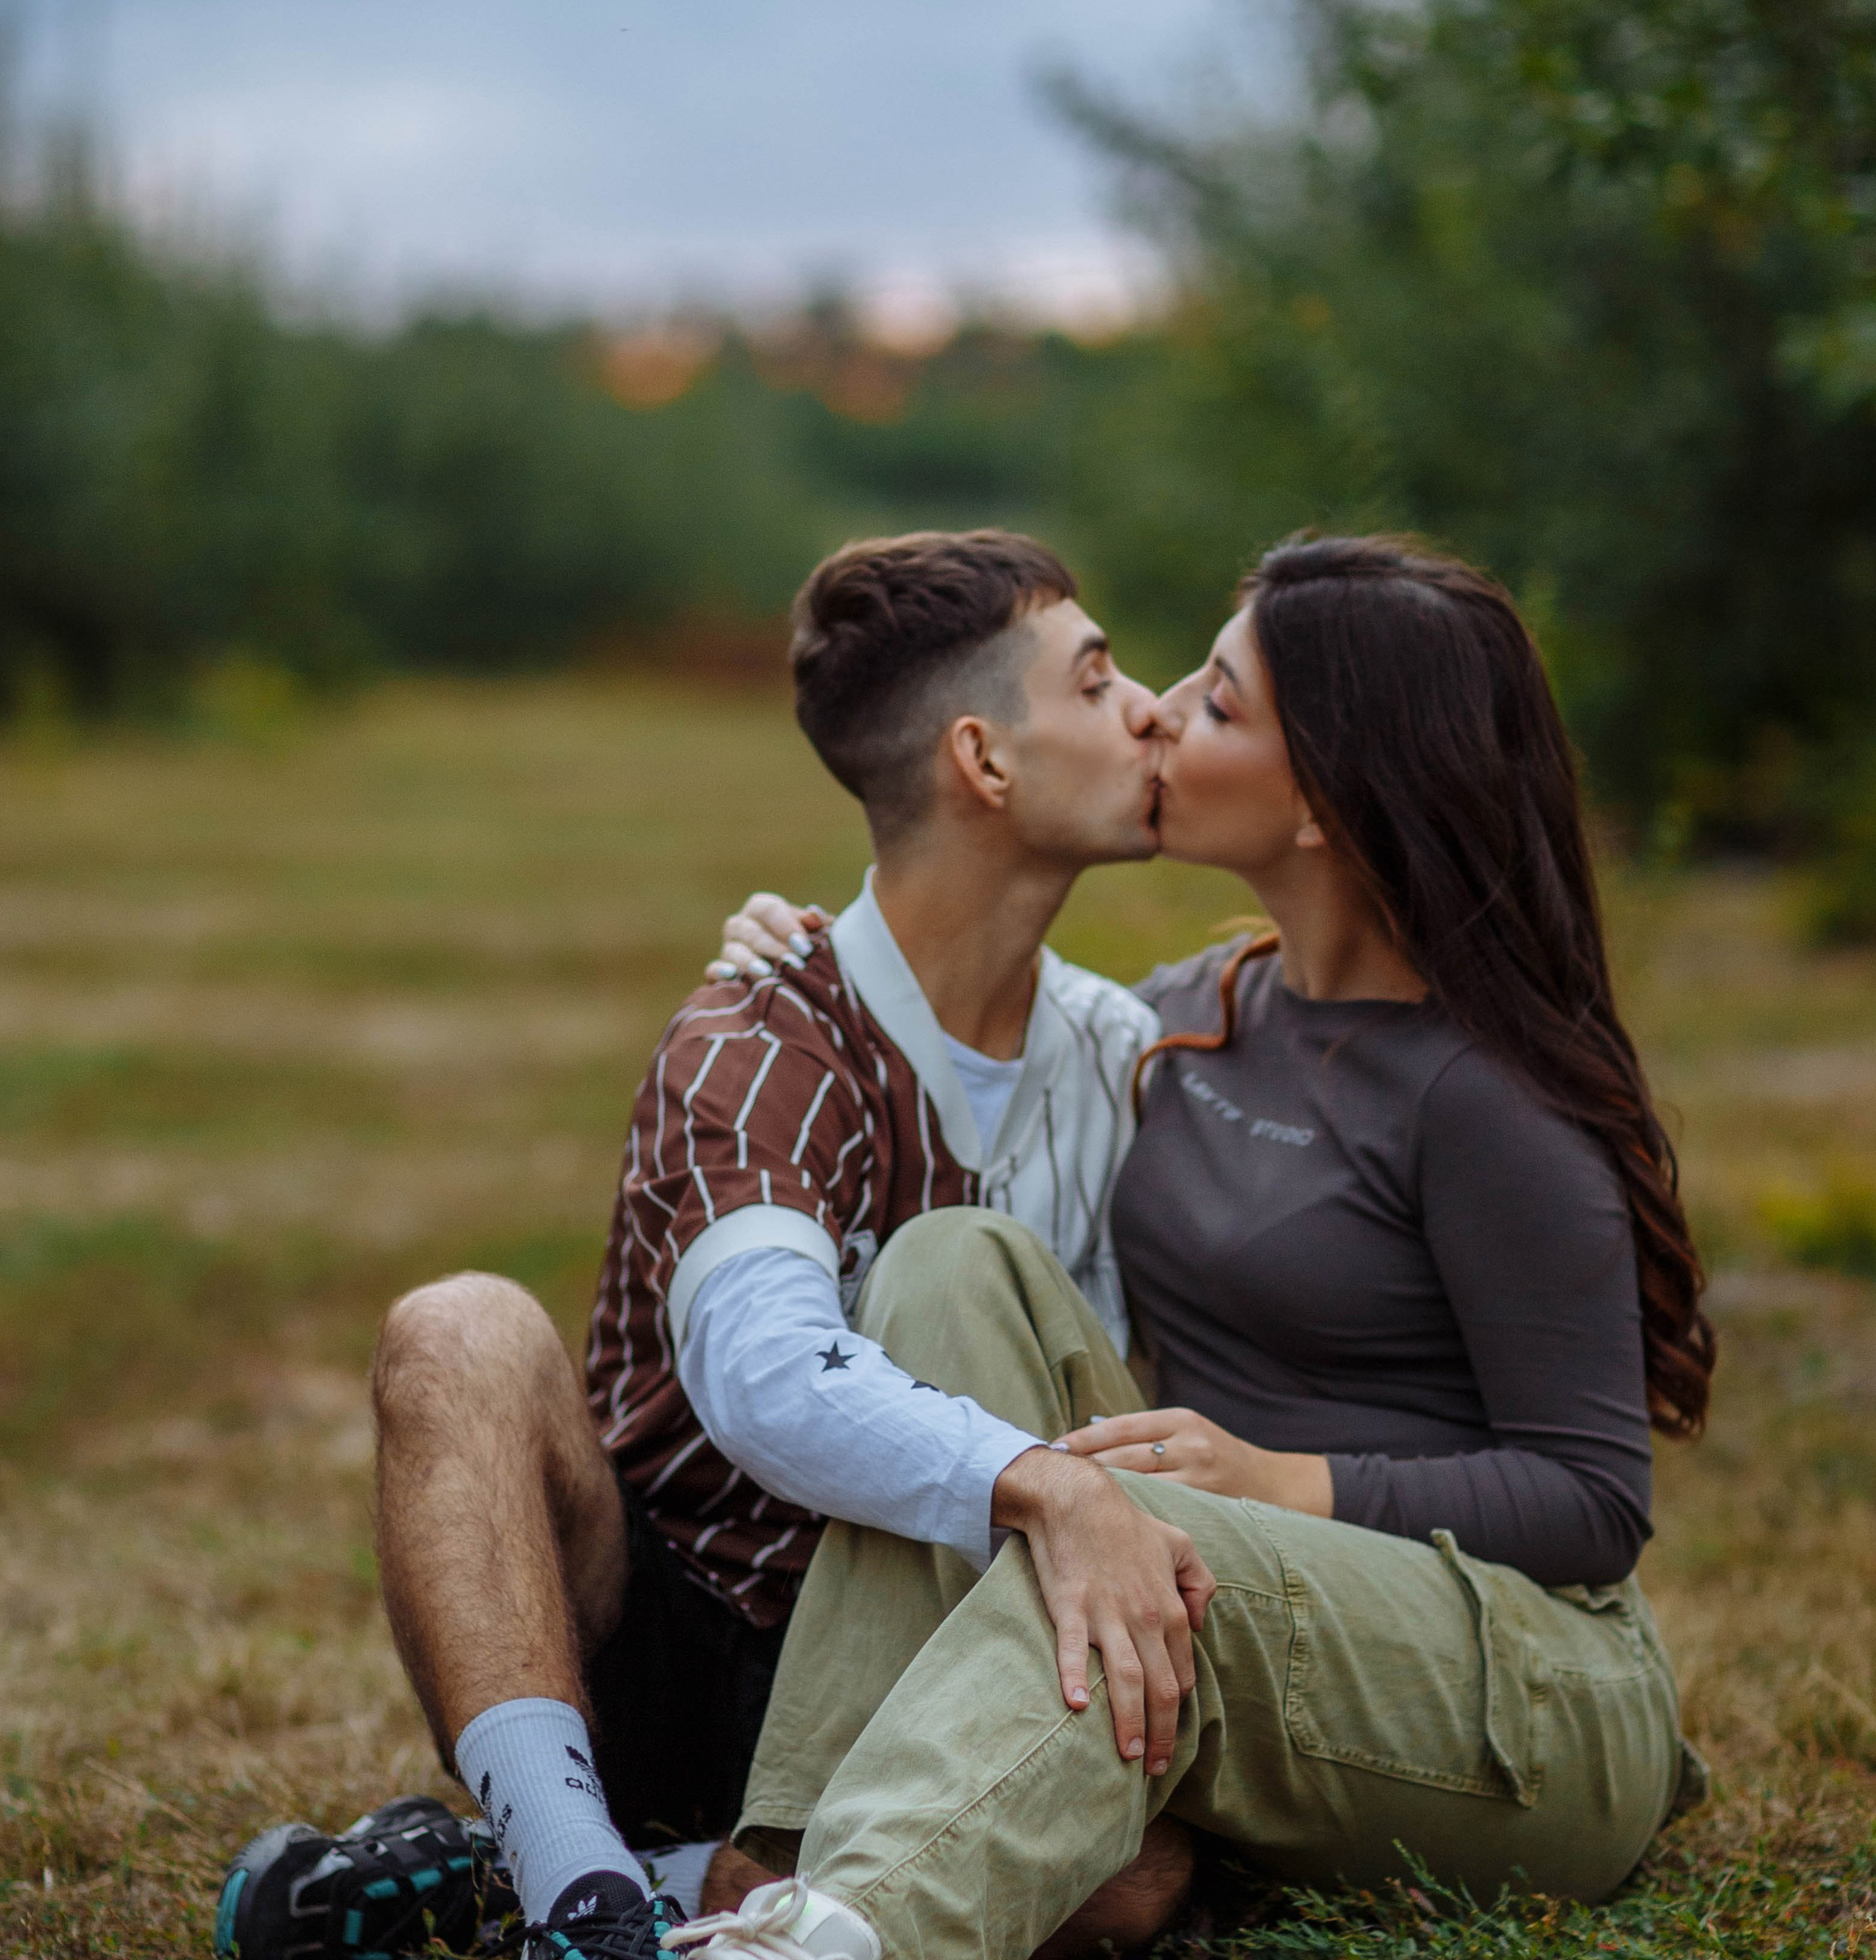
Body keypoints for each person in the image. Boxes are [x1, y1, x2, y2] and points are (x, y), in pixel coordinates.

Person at [669, 534, 1717, 1960]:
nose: (1159, 710)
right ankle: (775, 1877)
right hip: (1234, 1596)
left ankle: (856, 1932)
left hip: (1520, 1682)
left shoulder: (1486, 1101)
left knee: (1153, 1551)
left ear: (1326, 801)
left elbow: (1596, 1499)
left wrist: (1286, 1482)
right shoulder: (1202, 1013)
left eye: (1219, 705)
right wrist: (814, 955)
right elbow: (983, 1014)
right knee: (949, 1262)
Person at [213, 531, 1208, 1960]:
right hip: (684, 1628)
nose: (1153, 710)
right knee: (461, 1328)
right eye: (1104, 680)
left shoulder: (1121, 1058)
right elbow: (763, 1370)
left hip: (937, 1658)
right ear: (985, 763)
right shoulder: (761, 1033)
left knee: (1136, 1888)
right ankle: (582, 1894)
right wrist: (1035, 1484)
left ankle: (553, 1887)